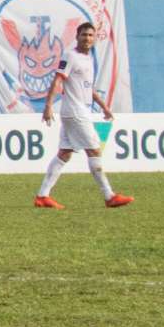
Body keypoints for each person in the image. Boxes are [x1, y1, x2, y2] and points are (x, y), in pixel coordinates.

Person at [35, 21, 134, 210]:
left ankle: (42, 196)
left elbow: (88, 88)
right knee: (94, 150)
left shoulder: (88, 59)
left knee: (64, 154)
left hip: (80, 110)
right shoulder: (70, 56)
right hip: (75, 111)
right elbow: (58, 80)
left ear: (95, 38)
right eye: (84, 35)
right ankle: (109, 195)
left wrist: (104, 106)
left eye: (90, 35)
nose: (87, 38)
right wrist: (48, 105)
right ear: (77, 37)